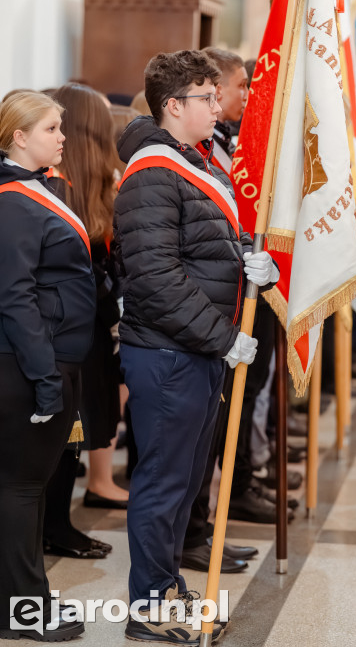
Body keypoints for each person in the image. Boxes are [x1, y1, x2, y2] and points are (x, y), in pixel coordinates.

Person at [114, 49, 278, 644]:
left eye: (216, 95)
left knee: (186, 481)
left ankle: (167, 586)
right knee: (163, 482)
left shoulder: (195, 159)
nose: (218, 107)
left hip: (197, 350)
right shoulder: (154, 170)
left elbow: (204, 248)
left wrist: (249, 266)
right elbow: (155, 278)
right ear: (173, 106)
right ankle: (147, 606)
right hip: (168, 353)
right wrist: (223, 336)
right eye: (206, 98)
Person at [0, 91, 96, 640]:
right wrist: (43, 377)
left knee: (25, 487)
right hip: (29, 363)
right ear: (19, 136)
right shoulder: (14, 201)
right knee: (20, 487)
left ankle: (26, 597)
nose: (63, 138)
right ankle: (24, 612)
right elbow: (14, 296)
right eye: (52, 129)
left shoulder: (37, 190)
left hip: (52, 356)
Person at [42, 85, 127, 556]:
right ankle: (53, 528)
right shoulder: (58, 189)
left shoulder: (91, 186)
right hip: (69, 335)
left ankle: (59, 524)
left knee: (75, 436)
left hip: (93, 332)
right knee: (61, 438)